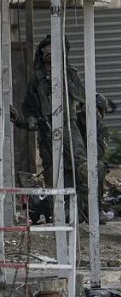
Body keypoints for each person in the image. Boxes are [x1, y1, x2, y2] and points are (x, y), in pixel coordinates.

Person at [11, 35, 107, 222]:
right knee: (52, 175)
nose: (48, 51)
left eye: (52, 48)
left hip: (68, 126)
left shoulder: (69, 73)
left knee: (85, 168)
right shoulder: (36, 79)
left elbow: (82, 95)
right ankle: (59, 215)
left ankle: (93, 209)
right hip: (46, 132)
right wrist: (19, 120)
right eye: (45, 48)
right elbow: (31, 112)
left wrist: (63, 77)